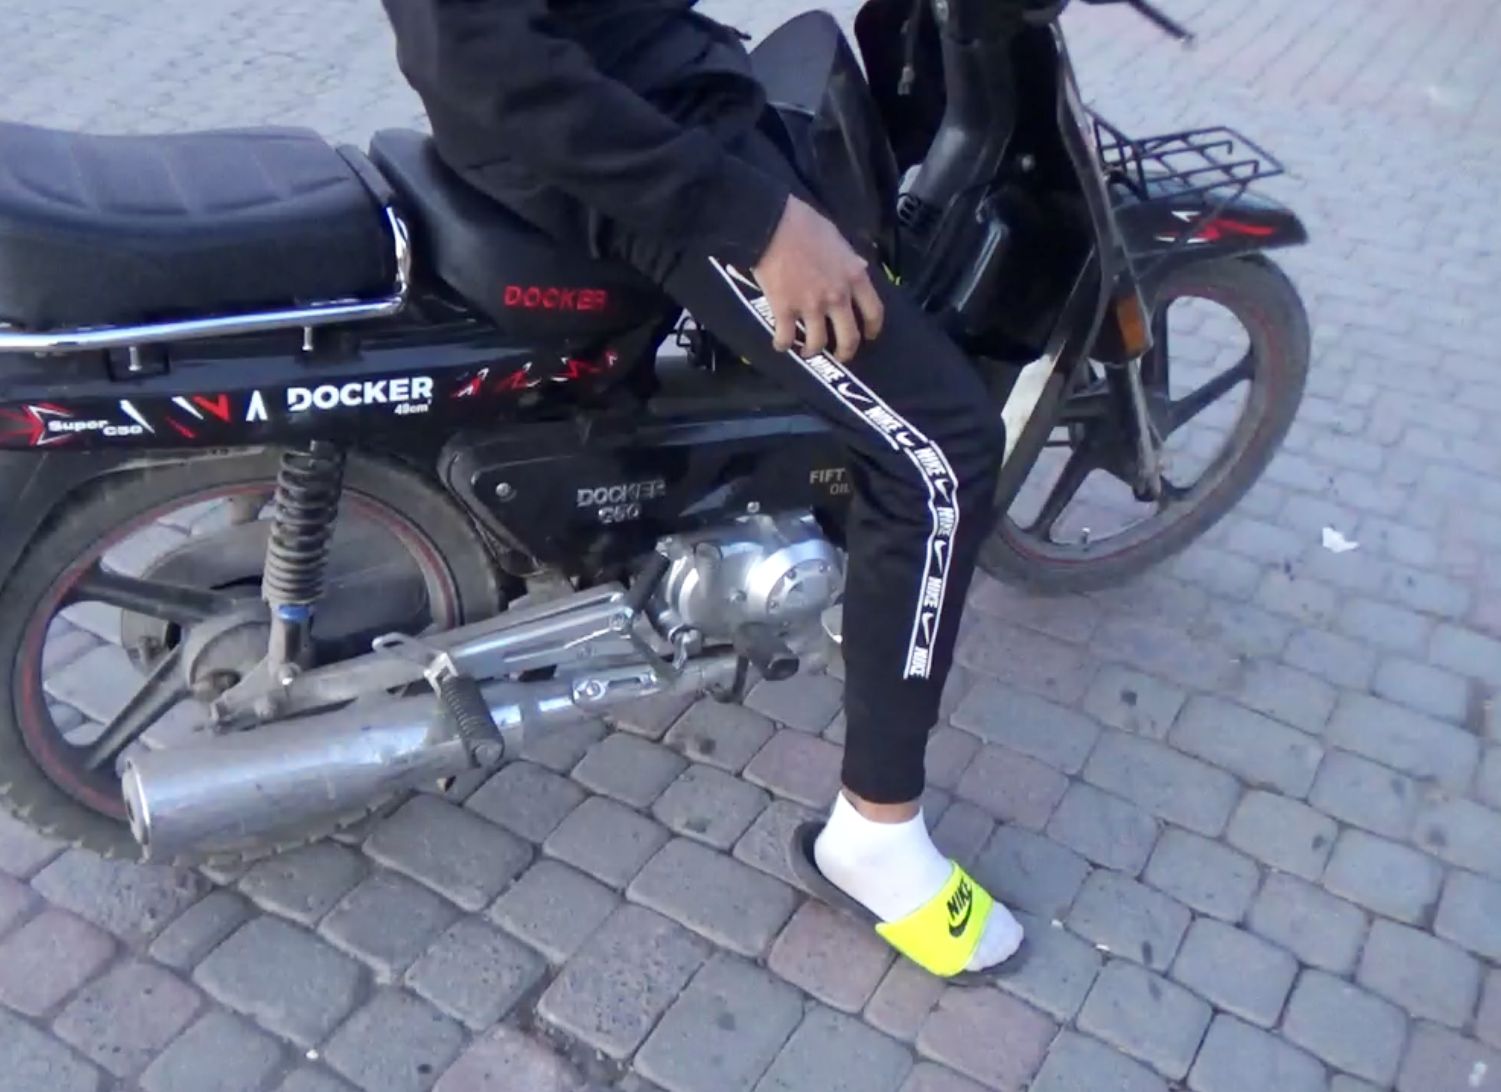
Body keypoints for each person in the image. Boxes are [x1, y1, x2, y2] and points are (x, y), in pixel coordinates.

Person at [379, 0, 1024, 979]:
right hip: (627, 158)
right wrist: (758, 224)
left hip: (660, 112)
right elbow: (480, 56)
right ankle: (878, 835)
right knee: (944, 447)